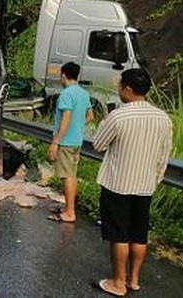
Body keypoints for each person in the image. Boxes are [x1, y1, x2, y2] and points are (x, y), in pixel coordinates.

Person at [93, 69, 173, 297]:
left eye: (120, 85)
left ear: (128, 88)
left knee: (119, 234)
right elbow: (163, 155)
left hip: (118, 184)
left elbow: (98, 144)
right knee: (139, 234)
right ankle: (134, 279)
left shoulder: (119, 116)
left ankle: (118, 282)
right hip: (145, 185)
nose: (118, 89)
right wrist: (155, 179)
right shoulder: (163, 118)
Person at [47, 62, 93, 223]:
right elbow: (90, 116)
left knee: (67, 177)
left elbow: (65, 118)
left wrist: (55, 142)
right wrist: (78, 126)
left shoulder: (66, 94)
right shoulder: (83, 93)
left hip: (66, 142)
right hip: (77, 141)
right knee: (71, 174)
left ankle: (69, 212)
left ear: (63, 75)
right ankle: (68, 208)